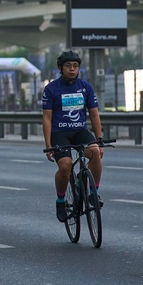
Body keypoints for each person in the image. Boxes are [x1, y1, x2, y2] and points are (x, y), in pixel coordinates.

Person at [43, 50, 104, 223]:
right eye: (68, 66)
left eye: (75, 66)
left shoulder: (86, 87)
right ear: (61, 68)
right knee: (65, 165)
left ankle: (93, 194)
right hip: (59, 133)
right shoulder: (51, 89)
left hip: (79, 131)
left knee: (95, 153)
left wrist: (99, 140)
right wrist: (48, 144)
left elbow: (94, 115)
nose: (72, 69)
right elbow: (47, 118)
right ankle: (61, 201)